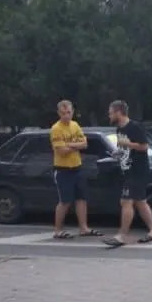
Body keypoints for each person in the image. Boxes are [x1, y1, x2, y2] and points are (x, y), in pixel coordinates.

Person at [103, 100, 152, 248]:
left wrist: (127, 144)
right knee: (140, 201)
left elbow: (144, 146)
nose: (109, 116)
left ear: (118, 112)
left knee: (126, 201)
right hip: (127, 169)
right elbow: (124, 149)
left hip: (138, 170)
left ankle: (122, 235)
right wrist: (117, 152)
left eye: (111, 113)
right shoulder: (119, 129)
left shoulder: (134, 127)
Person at [49, 100, 102, 239]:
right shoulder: (56, 128)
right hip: (63, 169)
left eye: (68, 112)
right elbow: (61, 151)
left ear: (72, 111)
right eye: (63, 113)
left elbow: (85, 144)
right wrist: (76, 145)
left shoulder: (75, 125)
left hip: (77, 167)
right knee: (65, 201)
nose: (66, 115)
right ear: (58, 113)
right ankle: (58, 230)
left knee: (81, 199)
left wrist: (70, 144)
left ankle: (83, 228)